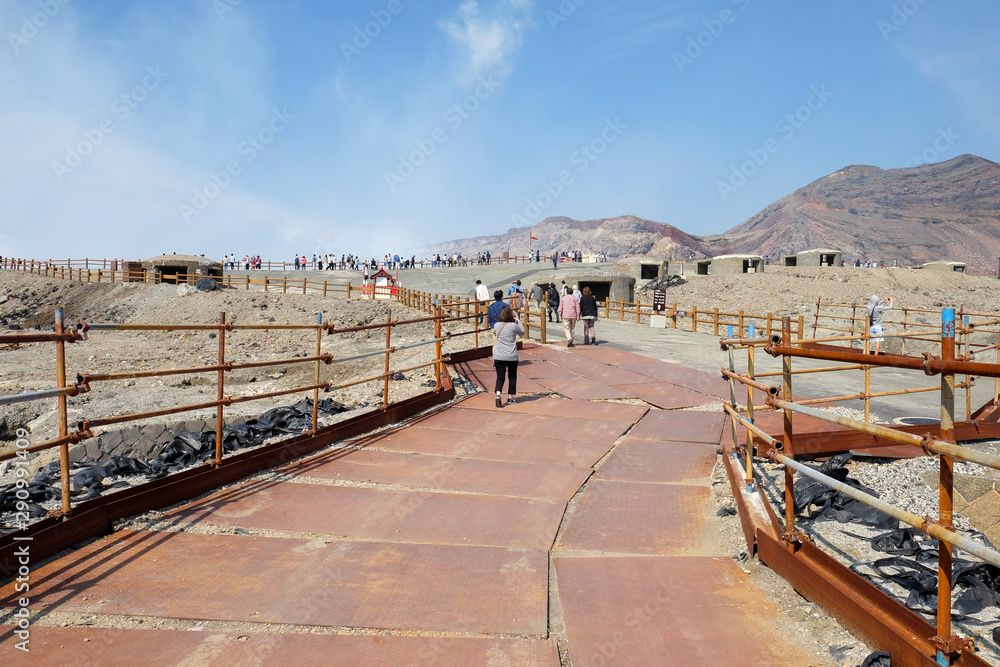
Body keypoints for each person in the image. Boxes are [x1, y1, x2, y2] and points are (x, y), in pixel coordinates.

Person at [492, 305, 524, 407]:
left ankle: (498, 395)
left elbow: (495, 334)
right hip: (511, 356)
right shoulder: (513, 326)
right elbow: (522, 332)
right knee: (512, 377)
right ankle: (510, 397)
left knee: (500, 377)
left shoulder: (496, 325)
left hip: (498, 355)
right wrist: (518, 321)